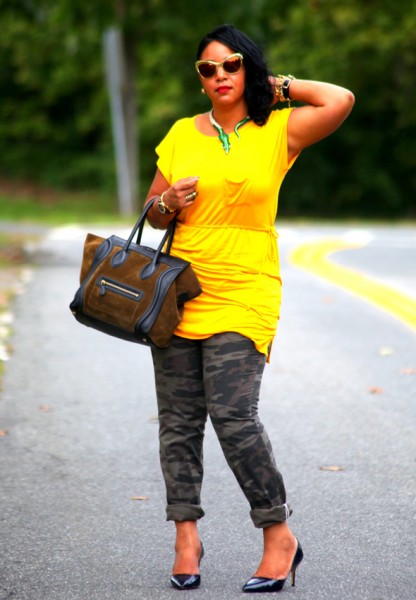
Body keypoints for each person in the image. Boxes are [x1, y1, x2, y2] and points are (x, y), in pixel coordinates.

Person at [144, 24, 354, 593]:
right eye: (206, 69)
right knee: (178, 423)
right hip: (181, 291)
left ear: (249, 69)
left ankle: (277, 534)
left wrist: (275, 85)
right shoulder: (182, 134)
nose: (219, 77)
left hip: (247, 292)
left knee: (235, 418)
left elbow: (340, 99)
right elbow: (153, 213)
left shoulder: (279, 129)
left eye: (231, 65)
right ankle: (186, 537)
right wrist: (165, 202)